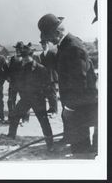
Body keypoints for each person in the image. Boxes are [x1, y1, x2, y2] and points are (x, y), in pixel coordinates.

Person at [38, 13, 98, 154]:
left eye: (48, 37)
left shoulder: (72, 47)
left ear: (57, 33)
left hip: (80, 104)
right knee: (79, 141)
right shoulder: (66, 44)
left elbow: (80, 81)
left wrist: (71, 107)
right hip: (79, 103)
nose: (49, 41)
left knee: (80, 146)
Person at [7, 44, 54, 151]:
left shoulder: (41, 69)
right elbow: (17, 82)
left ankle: (50, 144)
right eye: (22, 57)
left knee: (44, 122)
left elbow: (49, 88)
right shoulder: (21, 66)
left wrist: (52, 106)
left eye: (25, 57)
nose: (23, 59)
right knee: (14, 115)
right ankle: (11, 135)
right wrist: (15, 92)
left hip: (38, 100)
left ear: (31, 56)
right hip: (26, 99)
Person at [39, 40, 58, 117]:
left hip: (52, 77)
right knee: (47, 93)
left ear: (48, 44)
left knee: (53, 94)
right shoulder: (41, 55)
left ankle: (55, 111)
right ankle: (51, 108)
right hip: (45, 77)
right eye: (42, 45)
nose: (43, 46)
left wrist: (55, 74)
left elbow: (56, 65)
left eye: (45, 44)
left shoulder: (52, 54)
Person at [7, 41, 24, 121]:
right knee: (11, 101)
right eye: (17, 49)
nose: (18, 50)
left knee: (24, 100)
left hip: (23, 84)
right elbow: (9, 70)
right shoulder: (13, 59)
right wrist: (8, 77)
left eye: (20, 49)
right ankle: (11, 117)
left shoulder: (25, 59)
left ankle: (24, 118)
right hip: (13, 83)